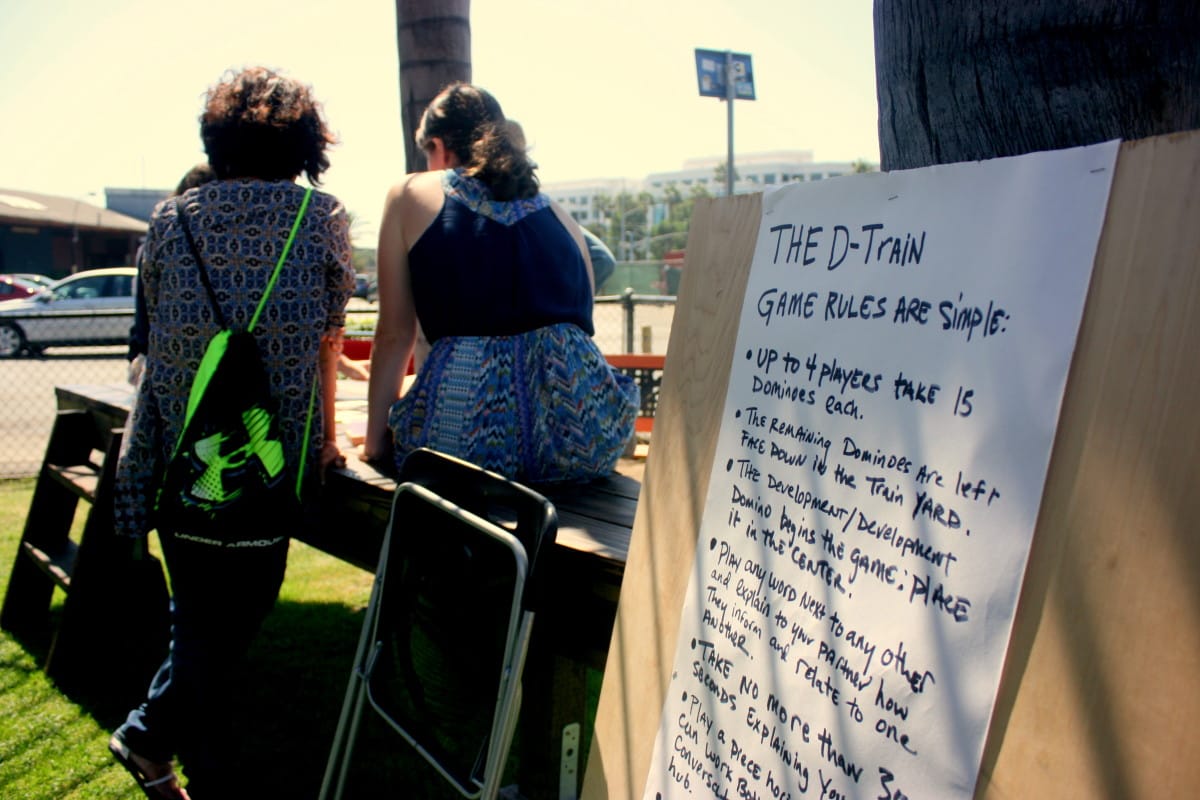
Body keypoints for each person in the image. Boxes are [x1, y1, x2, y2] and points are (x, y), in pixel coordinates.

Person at [110, 66, 355, 799]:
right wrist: (328, 442)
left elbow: (154, 342)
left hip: (177, 460)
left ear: (216, 139)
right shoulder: (323, 218)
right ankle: (149, 737)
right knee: (236, 611)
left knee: (200, 620)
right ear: (304, 142)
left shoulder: (168, 220)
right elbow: (328, 342)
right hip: (268, 462)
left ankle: (167, 757)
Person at [364, 82, 638, 482]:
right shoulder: (559, 214)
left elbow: (394, 335)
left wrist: (375, 443)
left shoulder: (408, 193)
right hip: (586, 439)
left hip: (460, 445)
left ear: (438, 146)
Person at [127, 163, 217, 386]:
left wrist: (138, 349)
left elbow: (145, 306)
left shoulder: (161, 235)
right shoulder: (221, 244)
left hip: (169, 359)